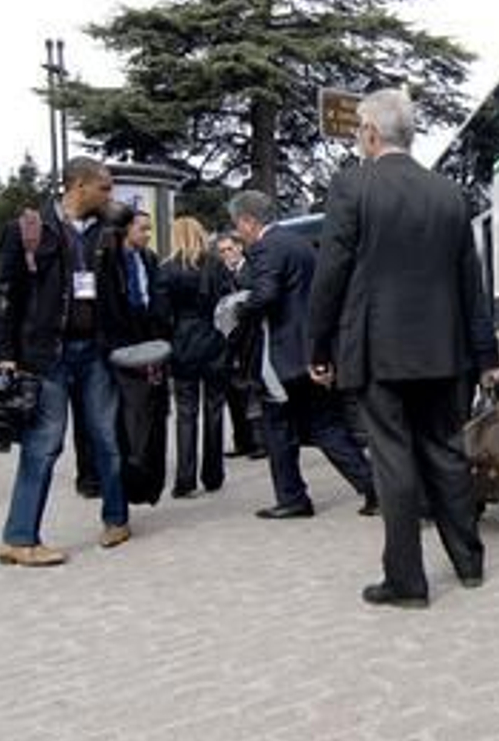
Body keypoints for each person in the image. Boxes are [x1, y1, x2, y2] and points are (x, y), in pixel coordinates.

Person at [308, 88, 499, 609]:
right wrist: (485, 355)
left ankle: (407, 582)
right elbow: (471, 283)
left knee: (393, 460)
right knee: (445, 450)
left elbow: (331, 273)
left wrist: (318, 346)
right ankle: (469, 563)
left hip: (377, 350)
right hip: (445, 349)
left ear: (371, 133)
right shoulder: (448, 193)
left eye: (357, 133)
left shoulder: (353, 186)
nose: (356, 141)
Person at [0, 157, 132, 567]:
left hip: (95, 353)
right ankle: (19, 539)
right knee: (43, 446)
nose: (110, 196)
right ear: (79, 186)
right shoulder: (28, 230)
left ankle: (117, 519)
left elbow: (118, 295)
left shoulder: (106, 233)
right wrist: (5, 357)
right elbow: (6, 298)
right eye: (104, 188)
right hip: (46, 357)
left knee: (107, 439)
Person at [228, 189, 376, 520]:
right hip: (310, 350)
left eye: (238, 226)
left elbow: (266, 294)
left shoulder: (266, 247)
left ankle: (293, 497)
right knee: (326, 426)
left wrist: (240, 311)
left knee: (277, 427)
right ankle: (373, 488)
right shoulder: (300, 243)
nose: (238, 233)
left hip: (282, 356)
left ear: (249, 221)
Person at [161, 216, 232, 498]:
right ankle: (213, 475)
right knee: (214, 409)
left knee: (185, 413)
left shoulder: (167, 269)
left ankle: (185, 479)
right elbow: (228, 304)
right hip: (214, 340)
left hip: (182, 343)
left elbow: (160, 313)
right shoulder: (216, 266)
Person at [109, 206, 171, 506]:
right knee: (128, 416)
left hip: (150, 342)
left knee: (152, 413)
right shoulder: (112, 262)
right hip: (122, 344)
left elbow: (157, 299)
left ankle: (148, 482)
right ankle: (127, 478)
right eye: (142, 229)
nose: (147, 235)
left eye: (149, 229)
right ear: (126, 229)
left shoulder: (149, 259)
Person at [216, 231, 264, 459]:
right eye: (222, 251)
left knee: (253, 390)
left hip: (252, 338)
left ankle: (259, 442)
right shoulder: (223, 274)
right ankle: (242, 441)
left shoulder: (251, 271)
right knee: (234, 393)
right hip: (231, 340)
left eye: (230, 249)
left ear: (240, 248)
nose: (227, 254)